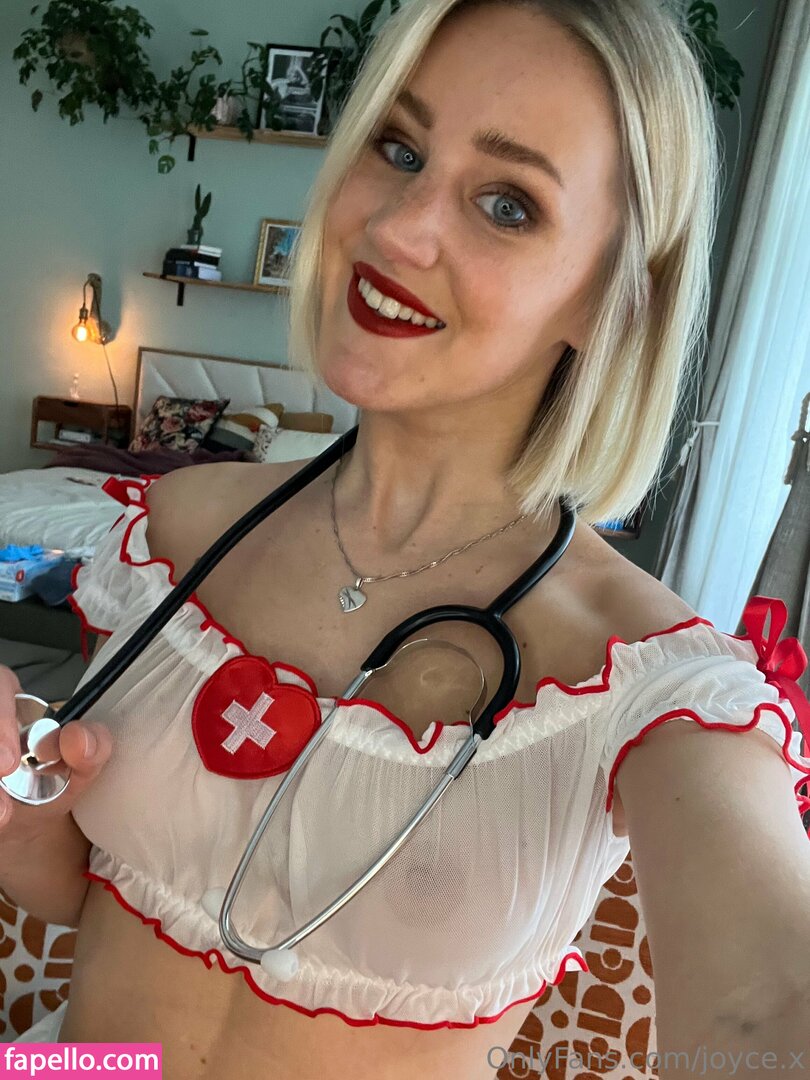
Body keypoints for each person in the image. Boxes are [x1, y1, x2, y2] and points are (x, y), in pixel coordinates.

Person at [2, 0, 810, 1075]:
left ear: (612, 299)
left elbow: (766, 1003)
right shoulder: (173, 535)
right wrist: (22, 814)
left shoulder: (652, 690)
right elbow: (103, 904)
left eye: (508, 205)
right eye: (399, 146)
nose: (397, 229)